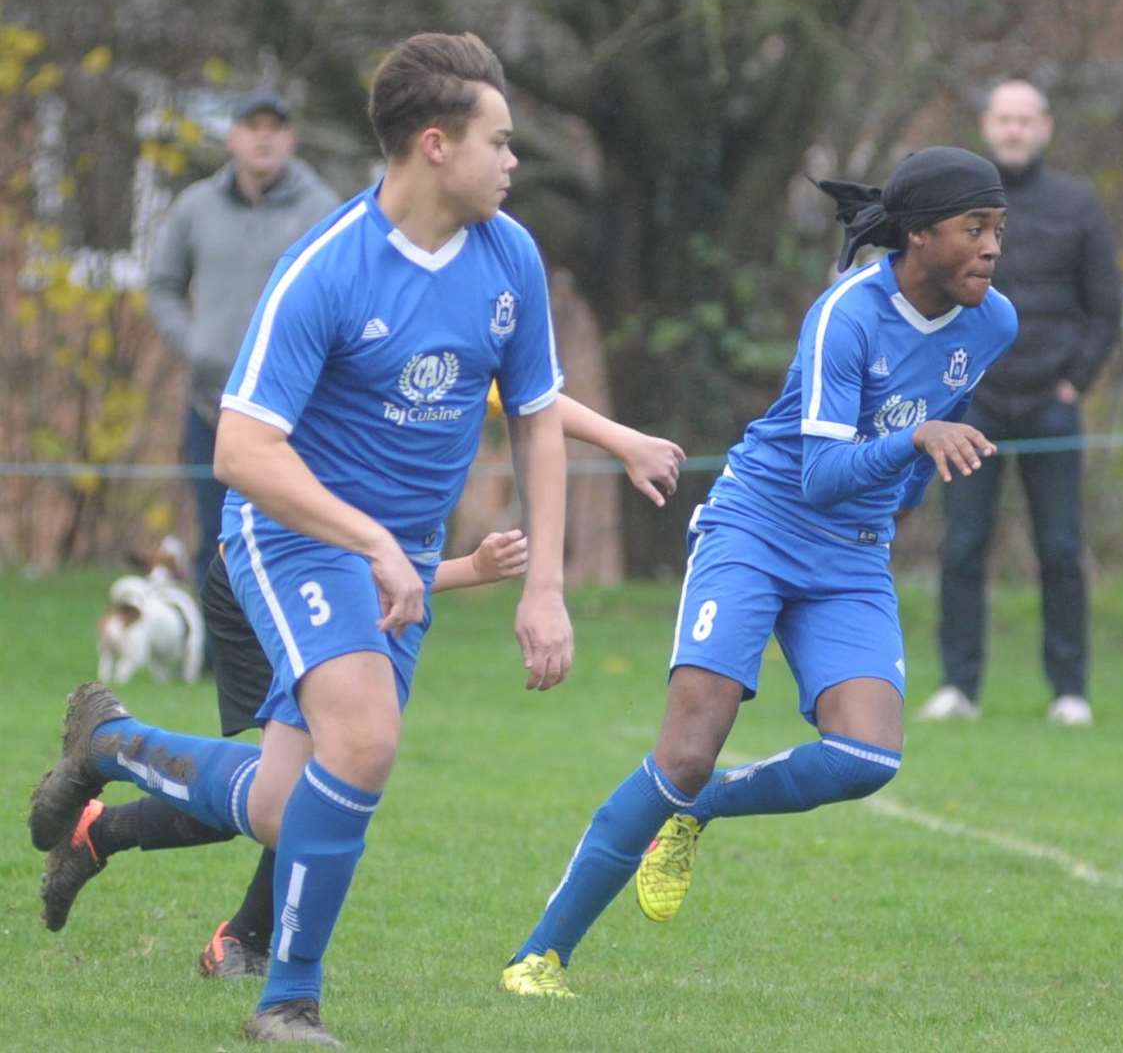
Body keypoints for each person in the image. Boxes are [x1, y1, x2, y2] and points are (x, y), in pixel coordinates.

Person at [28, 32, 573, 1046]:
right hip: (290, 534)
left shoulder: (511, 257)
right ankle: (288, 1000)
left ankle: (111, 744)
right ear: (435, 144)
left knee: (287, 807)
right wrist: (369, 539)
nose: (514, 162)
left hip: (389, 551)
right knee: (363, 742)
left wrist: (544, 585)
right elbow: (240, 450)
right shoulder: (327, 266)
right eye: (500, 141)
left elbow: (538, 413)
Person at [499, 146, 1016, 997]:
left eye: (999, 229)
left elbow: (942, 415)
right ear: (918, 236)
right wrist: (912, 443)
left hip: (850, 553)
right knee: (687, 751)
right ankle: (540, 955)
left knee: (867, 758)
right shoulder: (846, 316)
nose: (993, 248)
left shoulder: (993, 322)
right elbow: (820, 473)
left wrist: (915, 480)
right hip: (759, 524)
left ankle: (696, 814)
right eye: (974, 229)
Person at [38, 393, 686, 978]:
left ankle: (125, 840)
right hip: (274, 570)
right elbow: (347, 554)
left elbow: (527, 398)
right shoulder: (349, 327)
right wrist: (469, 567)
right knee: (298, 793)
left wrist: (620, 441)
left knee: (307, 787)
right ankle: (122, 764)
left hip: (358, 585)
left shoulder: (453, 329)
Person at [916, 80, 1121, 727]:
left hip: (1050, 404)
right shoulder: (951, 208)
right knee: (962, 545)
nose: (1013, 130)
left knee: (1060, 548)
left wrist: (1075, 383)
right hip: (970, 402)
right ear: (986, 124)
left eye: (1024, 120)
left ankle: (1069, 691)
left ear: (1045, 128)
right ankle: (958, 687)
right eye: (1003, 119)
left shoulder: (1077, 205)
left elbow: (1106, 307)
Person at [148, 90, 341, 606]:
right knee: (215, 536)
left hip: (293, 414)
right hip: (211, 405)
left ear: (290, 138)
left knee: (289, 535)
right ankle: (212, 662)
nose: (263, 136)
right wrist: (194, 344)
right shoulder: (195, 207)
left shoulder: (322, 208)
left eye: (274, 127)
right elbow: (162, 285)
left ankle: (285, 651)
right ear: (232, 136)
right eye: (251, 126)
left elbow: (344, 297)